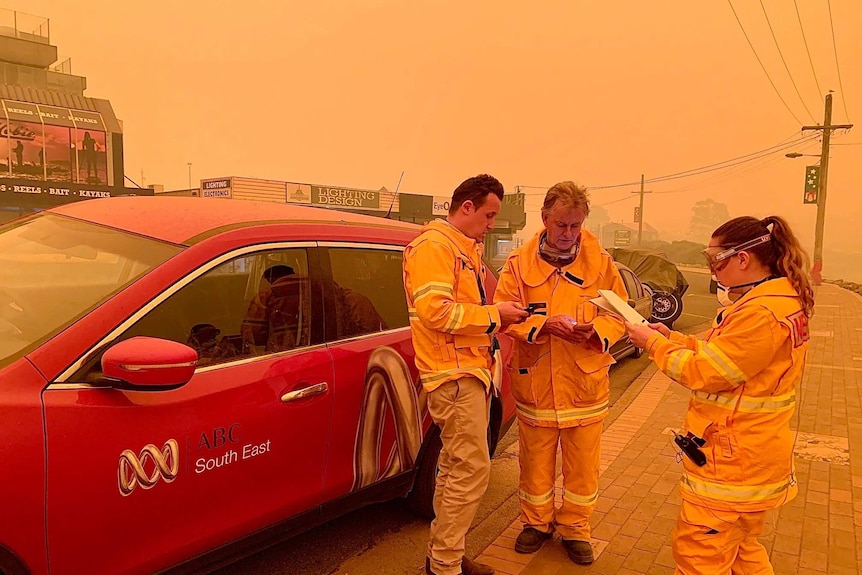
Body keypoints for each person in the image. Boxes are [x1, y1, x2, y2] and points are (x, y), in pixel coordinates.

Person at [625, 215, 814, 575]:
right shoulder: (775, 301)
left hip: (732, 462)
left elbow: (705, 372)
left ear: (742, 259)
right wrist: (670, 338)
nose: (712, 270)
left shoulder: (761, 312)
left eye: (715, 260)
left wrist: (653, 345)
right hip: (753, 457)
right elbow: (721, 355)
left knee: (700, 556)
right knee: (743, 551)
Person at [493, 181, 627, 565]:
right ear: (544, 219)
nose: (568, 234)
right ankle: (536, 523)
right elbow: (504, 313)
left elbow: (620, 315)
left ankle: (575, 528)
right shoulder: (519, 264)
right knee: (534, 463)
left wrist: (598, 333)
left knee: (583, 468)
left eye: (576, 226)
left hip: (585, 384)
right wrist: (540, 326)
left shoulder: (601, 264)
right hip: (536, 382)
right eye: (561, 225)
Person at [403, 174, 529, 575]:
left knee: (457, 468)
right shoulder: (435, 247)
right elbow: (436, 312)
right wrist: (497, 315)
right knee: (472, 469)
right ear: (467, 207)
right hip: (452, 374)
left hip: (468, 371)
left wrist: (499, 319)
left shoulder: (462, 248)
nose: (492, 224)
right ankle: (444, 566)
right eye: (489, 215)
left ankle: (446, 556)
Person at [241, 265, 304, 353]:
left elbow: (253, 333)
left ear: (271, 278)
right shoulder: (315, 287)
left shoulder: (266, 295)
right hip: (317, 350)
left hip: (282, 353)